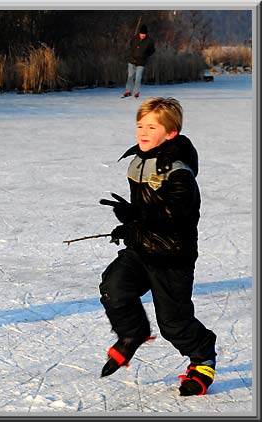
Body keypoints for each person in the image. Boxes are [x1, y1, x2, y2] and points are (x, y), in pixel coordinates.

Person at [98, 97, 217, 396]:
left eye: (152, 126)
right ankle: (132, 333)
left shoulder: (178, 170)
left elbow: (174, 214)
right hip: (141, 248)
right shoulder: (140, 160)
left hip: (171, 255)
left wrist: (134, 217)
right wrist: (129, 224)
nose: (143, 132)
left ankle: (202, 357)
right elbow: (147, 209)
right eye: (140, 125)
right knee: (114, 286)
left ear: (171, 133)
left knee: (173, 323)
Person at [123, 24, 156, 98]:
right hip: (132, 60)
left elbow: (152, 50)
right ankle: (128, 91)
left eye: (144, 34)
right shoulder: (134, 38)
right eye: (141, 34)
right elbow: (130, 47)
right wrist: (131, 54)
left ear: (146, 34)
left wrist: (146, 55)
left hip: (141, 62)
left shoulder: (149, 41)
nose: (142, 35)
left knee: (138, 77)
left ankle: (136, 92)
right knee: (130, 76)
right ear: (139, 33)